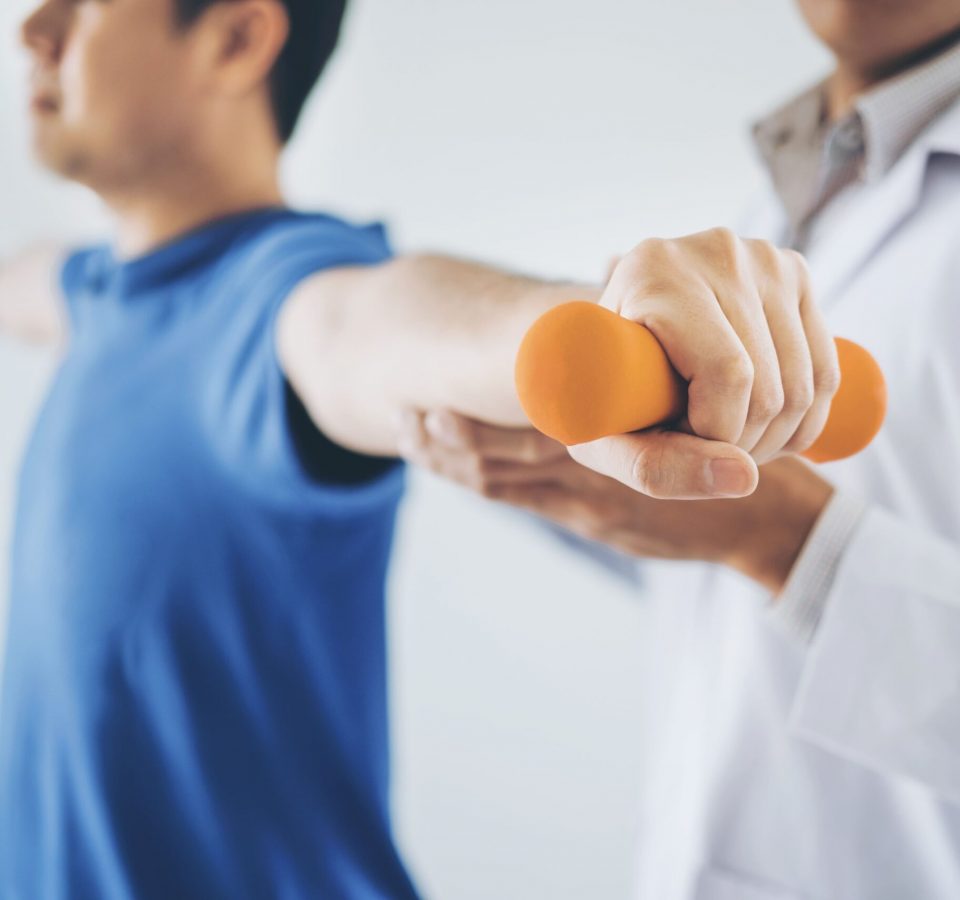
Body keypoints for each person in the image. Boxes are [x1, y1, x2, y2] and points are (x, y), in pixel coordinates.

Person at [0, 0, 840, 897]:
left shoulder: (283, 300)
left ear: (236, 38)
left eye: (83, 4)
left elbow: (393, 324)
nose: (33, 28)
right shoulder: (94, 292)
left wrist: (582, 327)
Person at [402, 0, 960, 897]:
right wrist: (583, 492)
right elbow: (745, 607)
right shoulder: (778, 196)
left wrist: (791, 542)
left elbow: (794, 542)